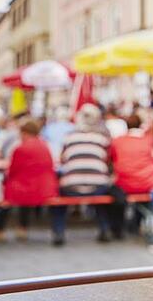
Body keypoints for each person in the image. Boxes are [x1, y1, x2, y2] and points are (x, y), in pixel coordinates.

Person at [52, 104, 112, 246]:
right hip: (98, 185)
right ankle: (104, 228)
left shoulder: (69, 137)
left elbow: (62, 159)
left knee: (58, 198)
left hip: (71, 185)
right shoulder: (102, 138)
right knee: (102, 198)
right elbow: (107, 161)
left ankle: (58, 231)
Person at [0, 119, 57, 241]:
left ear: (25, 133)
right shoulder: (45, 146)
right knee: (23, 191)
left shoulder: (20, 148)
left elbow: (12, 171)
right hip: (44, 188)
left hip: (27, 188)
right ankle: (22, 228)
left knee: (8, 196)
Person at [108, 115, 153, 238]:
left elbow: (111, 160)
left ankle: (118, 228)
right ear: (140, 125)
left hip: (125, 184)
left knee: (114, 192)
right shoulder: (149, 140)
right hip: (149, 183)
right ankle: (138, 224)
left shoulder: (117, 141)